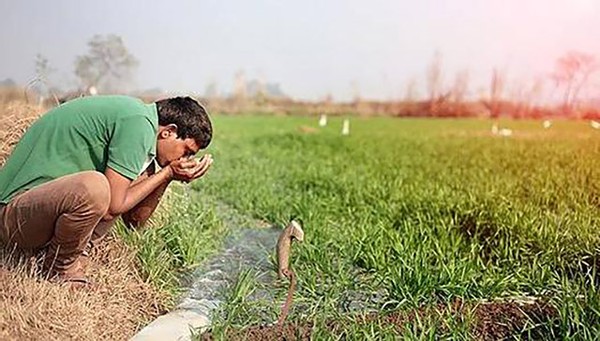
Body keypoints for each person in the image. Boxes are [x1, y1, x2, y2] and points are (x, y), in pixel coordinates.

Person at [0, 95, 213, 287]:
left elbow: (134, 222)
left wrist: (166, 177)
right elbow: (113, 208)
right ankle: (59, 268)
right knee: (96, 187)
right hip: (12, 216)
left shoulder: (145, 135)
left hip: (33, 214)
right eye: (186, 151)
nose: (184, 160)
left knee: (114, 187)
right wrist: (166, 174)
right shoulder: (138, 123)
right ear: (169, 131)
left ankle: (71, 256)